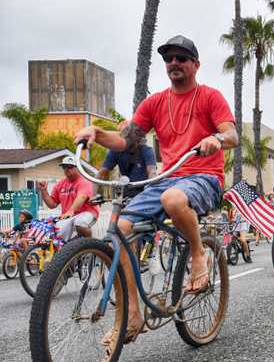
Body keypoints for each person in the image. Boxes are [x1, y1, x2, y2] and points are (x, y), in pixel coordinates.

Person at [72, 34, 238, 345]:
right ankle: (133, 314)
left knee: (172, 199)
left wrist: (217, 139)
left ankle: (199, 255)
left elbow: (232, 134)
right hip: (167, 179)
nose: (174, 63)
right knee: (120, 227)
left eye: (181, 58)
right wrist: (95, 131)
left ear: (195, 65)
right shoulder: (155, 103)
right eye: (168, 58)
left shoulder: (210, 97)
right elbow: (126, 139)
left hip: (203, 176)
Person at [37, 155, 98, 241]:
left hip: (87, 213)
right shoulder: (60, 184)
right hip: (68, 216)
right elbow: (52, 204)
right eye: (64, 167)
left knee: (80, 223)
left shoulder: (84, 182)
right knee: (58, 236)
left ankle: (91, 246)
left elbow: (81, 197)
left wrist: (71, 210)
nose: (67, 169)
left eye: (70, 167)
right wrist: (44, 191)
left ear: (78, 168)